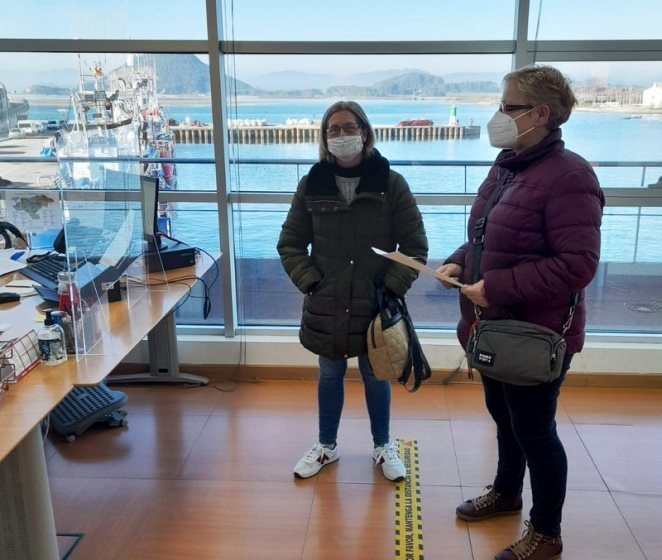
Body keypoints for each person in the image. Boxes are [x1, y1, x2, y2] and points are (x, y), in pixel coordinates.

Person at [437, 66, 605, 560]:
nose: (498, 116)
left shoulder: (571, 176)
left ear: (540, 115)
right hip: (492, 327)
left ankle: (546, 533)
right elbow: (491, 236)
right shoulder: (508, 164)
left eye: (508, 107)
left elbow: (579, 264)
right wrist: (460, 259)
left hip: (536, 333)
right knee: (504, 419)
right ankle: (506, 493)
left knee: (536, 432)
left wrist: (500, 287)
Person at [277, 100, 428, 481]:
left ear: (365, 131)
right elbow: (290, 244)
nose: (342, 135)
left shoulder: (391, 184)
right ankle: (326, 446)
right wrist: (311, 282)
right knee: (329, 373)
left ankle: (382, 446)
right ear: (324, 138)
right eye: (333, 129)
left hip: (375, 302)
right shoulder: (311, 184)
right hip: (326, 302)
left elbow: (414, 246)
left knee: (376, 374)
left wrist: (390, 290)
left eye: (349, 127)